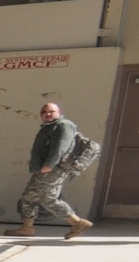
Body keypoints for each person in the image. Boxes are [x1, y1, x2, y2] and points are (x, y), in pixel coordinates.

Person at [6, 101, 93, 240]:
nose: (47, 114)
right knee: (29, 197)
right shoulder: (49, 126)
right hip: (44, 169)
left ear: (59, 112)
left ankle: (77, 222)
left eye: (51, 111)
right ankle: (27, 228)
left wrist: (49, 165)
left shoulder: (63, 125)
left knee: (48, 198)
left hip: (53, 169)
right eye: (44, 112)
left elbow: (60, 147)